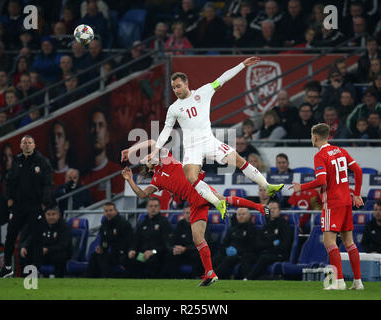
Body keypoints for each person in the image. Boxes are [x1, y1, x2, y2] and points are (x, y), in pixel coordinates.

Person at [147, 56, 283, 219]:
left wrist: (242, 65)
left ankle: (267, 186)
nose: (176, 90)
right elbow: (166, 130)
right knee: (191, 177)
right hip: (192, 147)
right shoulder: (173, 109)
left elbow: (222, 78)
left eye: (178, 86)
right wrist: (155, 151)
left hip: (209, 141)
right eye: (173, 87)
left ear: (186, 83)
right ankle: (218, 203)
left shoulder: (204, 92)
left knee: (239, 160)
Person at [121, 139, 269, 285]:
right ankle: (210, 273)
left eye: (151, 155)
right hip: (194, 204)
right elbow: (142, 195)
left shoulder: (167, 160)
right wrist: (129, 179)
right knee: (198, 239)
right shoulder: (156, 180)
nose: (151, 157)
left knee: (224, 199)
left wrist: (131, 150)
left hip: (200, 190)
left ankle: (260, 207)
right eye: (148, 159)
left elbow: (153, 142)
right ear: (148, 167)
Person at [290, 123, 364, 290]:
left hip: (332, 203)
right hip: (346, 201)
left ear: (315, 137)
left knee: (329, 242)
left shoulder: (320, 156)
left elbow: (322, 181)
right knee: (349, 243)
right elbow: (358, 170)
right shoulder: (341, 151)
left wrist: (300, 187)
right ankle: (358, 282)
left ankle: (338, 282)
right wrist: (357, 194)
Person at [0, 135, 54, 278]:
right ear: (21, 146)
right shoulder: (16, 160)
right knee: (10, 236)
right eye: (25, 143)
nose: (27, 145)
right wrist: (9, 197)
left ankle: (35, 270)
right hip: (18, 206)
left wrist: (44, 203)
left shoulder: (42, 162)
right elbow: (9, 180)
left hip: (35, 206)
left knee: (37, 238)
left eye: (30, 143)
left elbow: (48, 184)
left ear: (34, 145)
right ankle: (8, 267)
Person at [81, 107, 124, 203]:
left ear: (107, 136)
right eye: (93, 125)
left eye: (101, 125)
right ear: (88, 134)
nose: (96, 130)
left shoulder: (117, 173)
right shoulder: (82, 177)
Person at [243, 200, 293, 280]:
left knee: (264, 257)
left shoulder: (284, 226)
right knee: (247, 256)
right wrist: (270, 244)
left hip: (279, 255)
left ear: (279, 211)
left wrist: (267, 245)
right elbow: (258, 243)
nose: (272, 211)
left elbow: (285, 246)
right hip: (265, 252)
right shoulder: (266, 225)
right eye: (270, 209)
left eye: (274, 208)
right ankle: (245, 277)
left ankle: (249, 279)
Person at [123, 198, 172, 279]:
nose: (153, 208)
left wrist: (153, 251)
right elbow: (135, 239)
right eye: (151, 206)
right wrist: (132, 249)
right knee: (127, 258)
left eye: (155, 206)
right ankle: (133, 283)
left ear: (159, 208)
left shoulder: (164, 222)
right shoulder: (142, 222)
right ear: (147, 208)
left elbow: (167, 244)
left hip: (157, 254)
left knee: (153, 260)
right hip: (142, 254)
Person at [19, 205, 71, 278]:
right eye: (48, 214)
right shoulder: (41, 225)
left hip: (56, 253)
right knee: (25, 253)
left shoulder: (64, 227)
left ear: (59, 215)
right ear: (45, 215)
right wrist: (24, 246)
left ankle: (59, 279)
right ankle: (27, 279)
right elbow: (32, 237)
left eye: (53, 214)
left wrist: (48, 249)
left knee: (60, 256)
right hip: (42, 253)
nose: (51, 217)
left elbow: (64, 245)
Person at [86, 202, 133, 278]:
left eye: (111, 210)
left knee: (103, 258)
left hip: (123, 253)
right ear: (104, 213)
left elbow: (130, 241)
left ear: (116, 211)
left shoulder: (124, 224)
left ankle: (107, 278)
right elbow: (104, 242)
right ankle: (89, 279)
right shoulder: (104, 225)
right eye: (106, 211)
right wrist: (101, 248)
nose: (108, 213)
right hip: (113, 253)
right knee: (94, 256)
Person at [213, 207, 259, 279]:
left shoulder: (252, 229)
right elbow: (223, 244)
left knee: (229, 260)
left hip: (243, 254)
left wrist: (238, 251)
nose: (241, 216)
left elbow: (253, 246)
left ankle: (213, 278)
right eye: (239, 214)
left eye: (243, 214)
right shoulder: (232, 229)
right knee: (216, 259)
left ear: (249, 215)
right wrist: (226, 250)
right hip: (230, 253)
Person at [162, 204, 205, 278]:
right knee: (170, 254)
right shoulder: (180, 224)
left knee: (197, 256)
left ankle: (196, 278)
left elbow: (203, 244)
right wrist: (175, 248)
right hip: (182, 253)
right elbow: (172, 241)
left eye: (191, 212)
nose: (189, 215)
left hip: (194, 252)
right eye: (187, 213)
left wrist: (186, 249)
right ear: (183, 214)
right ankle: (173, 279)